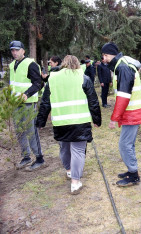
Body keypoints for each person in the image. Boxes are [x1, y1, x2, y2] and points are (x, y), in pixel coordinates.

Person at [36, 55, 101, 194]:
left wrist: (41, 121)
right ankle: (75, 182)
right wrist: (97, 120)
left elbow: (45, 102)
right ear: (77, 64)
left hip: (61, 121)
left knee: (64, 148)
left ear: (63, 64)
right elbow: (93, 101)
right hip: (80, 122)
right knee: (77, 151)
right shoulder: (83, 77)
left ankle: (69, 171)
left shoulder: (53, 79)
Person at [101, 42, 141, 186]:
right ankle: (132, 171)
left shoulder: (123, 67)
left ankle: (133, 175)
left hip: (132, 112)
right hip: (132, 112)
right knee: (128, 144)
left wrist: (114, 118)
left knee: (124, 144)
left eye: (104, 56)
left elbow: (124, 96)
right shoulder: (122, 64)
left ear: (109, 55)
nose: (104, 59)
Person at [8, 40, 46, 171]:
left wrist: (26, 94)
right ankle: (26, 157)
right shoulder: (12, 65)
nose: (15, 52)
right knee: (19, 131)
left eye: (17, 50)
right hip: (15, 103)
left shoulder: (31, 64)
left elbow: (38, 83)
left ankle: (39, 158)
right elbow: (13, 84)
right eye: (12, 50)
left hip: (28, 103)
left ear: (23, 51)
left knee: (31, 131)